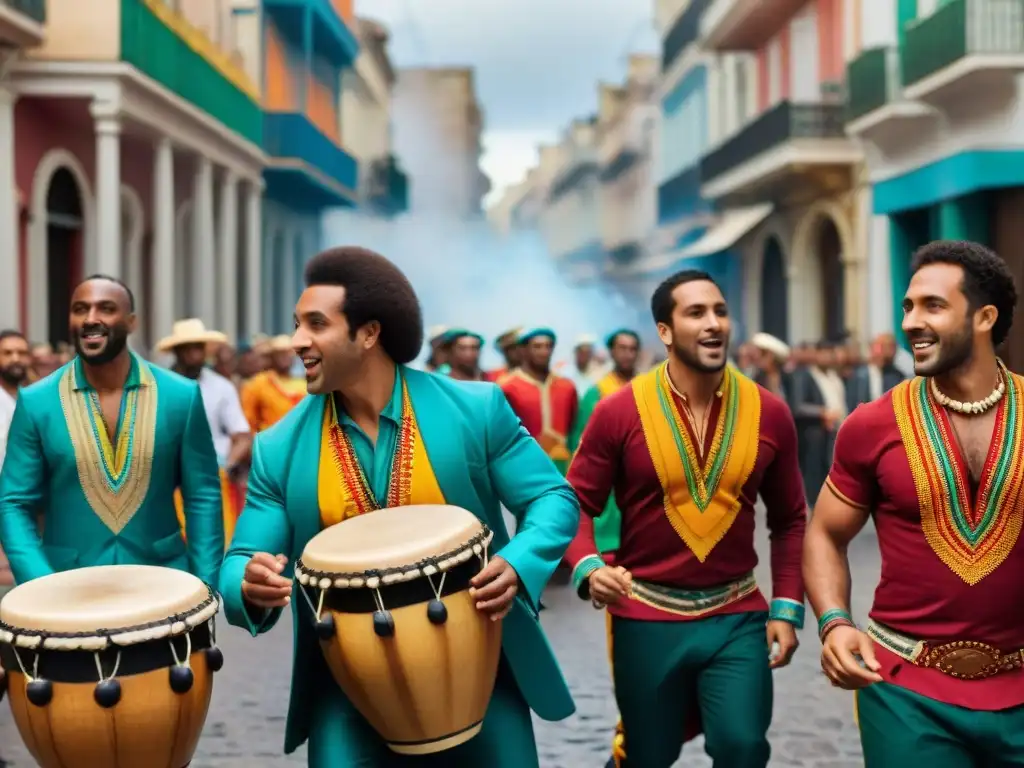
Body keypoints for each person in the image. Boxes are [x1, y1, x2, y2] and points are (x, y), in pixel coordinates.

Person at [220, 246, 578, 766]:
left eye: (316, 324)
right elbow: (239, 560)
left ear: (369, 333)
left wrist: (519, 564)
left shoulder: (475, 410)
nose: (298, 341)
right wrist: (248, 583)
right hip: (346, 685)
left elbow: (551, 497)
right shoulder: (277, 447)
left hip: (482, 665)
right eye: (297, 325)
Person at [566, 269, 807, 768]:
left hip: (736, 614)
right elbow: (574, 504)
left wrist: (786, 604)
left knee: (743, 746)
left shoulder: (772, 413)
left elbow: (790, 520)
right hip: (645, 615)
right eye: (695, 312)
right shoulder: (617, 411)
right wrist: (588, 566)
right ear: (665, 331)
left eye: (720, 311)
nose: (713, 323)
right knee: (647, 755)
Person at [804, 240, 1024, 766]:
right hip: (904, 689)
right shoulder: (870, 425)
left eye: (932, 306)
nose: (910, 322)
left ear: (984, 317)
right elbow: (825, 534)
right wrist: (835, 622)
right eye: (907, 306)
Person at [0, 275, 223, 588]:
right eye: (80, 309)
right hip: (66, 588)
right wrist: (39, 584)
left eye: (105, 309)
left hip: (164, 585)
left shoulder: (181, 396)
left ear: (131, 322)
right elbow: (13, 503)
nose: (91, 319)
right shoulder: (36, 402)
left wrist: (205, 586)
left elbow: (202, 496)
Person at [159, 318, 253, 547]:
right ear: (177, 351)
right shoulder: (159, 385)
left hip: (213, 477)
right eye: (189, 348)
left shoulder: (222, 387)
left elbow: (241, 436)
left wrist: (227, 465)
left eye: (199, 347)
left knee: (214, 542)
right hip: (168, 481)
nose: (195, 353)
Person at [568, 328, 641, 556]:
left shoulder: (648, 387)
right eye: (622, 348)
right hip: (611, 473)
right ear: (611, 351)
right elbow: (583, 437)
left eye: (632, 349)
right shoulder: (598, 390)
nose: (628, 354)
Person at [498, 328, 578, 475]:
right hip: (523, 468)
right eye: (537, 347)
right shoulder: (507, 387)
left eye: (548, 346)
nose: (544, 352)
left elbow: (575, 429)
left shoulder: (567, 387)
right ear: (523, 350)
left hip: (564, 469)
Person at [241, 334, 306, 432]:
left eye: (288, 353)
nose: (285, 357)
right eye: (280, 353)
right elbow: (248, 421)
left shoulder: (303, 385)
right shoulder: (258, 384)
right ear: (272, 356)